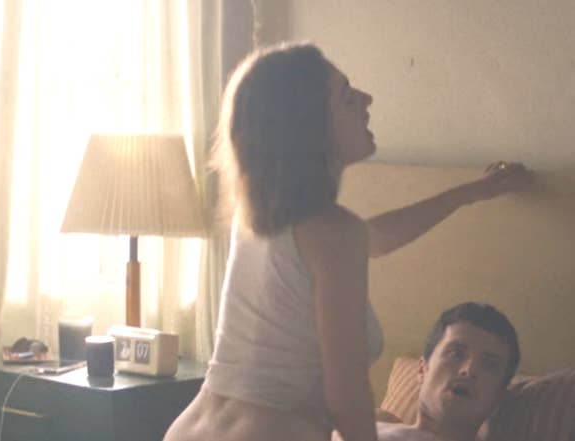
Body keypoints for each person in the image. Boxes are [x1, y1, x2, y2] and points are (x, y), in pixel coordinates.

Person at [163, 42, 530, 441]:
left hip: (190, 428)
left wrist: (471, 193)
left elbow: (376, 238)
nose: (366, 100)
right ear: (313, 125)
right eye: (347, 96)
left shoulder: (260, 219)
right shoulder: (334, 232)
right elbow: (347, 396)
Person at [346, 302, 519, 441]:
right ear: (422, 370)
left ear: (498, 396)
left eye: (489, 365)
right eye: (456, 354)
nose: (469, 370)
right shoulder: (371, 422)